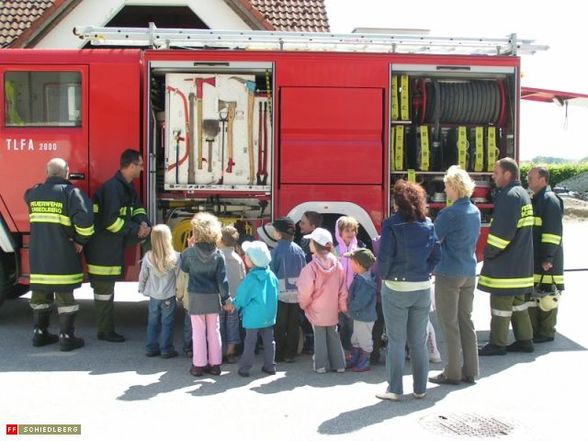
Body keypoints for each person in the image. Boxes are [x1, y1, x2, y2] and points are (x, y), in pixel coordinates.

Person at [376, 180, 440, 401]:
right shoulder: (428, 224)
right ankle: (421, 389)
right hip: (422, 286)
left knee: (396, 340)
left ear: (397, 202)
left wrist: (383, 275)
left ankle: (394, 389)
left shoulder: (391, 224)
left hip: (396, 287)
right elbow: (436, 256)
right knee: (419, 341)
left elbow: (385, 257)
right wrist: (424, 271)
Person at [24, 158, 94, 351]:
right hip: (63, 256)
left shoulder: (33, 193)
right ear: (67, 172)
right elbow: (86, 222)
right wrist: (81, 241)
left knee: (39, 296)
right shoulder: (71, 194)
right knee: (65, 299)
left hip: (39, 256)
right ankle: (66, 336)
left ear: (47, 172)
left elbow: (27, 197)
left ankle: (40, 334)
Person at [85, 149, 151, 342]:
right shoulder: (114, 189)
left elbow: (137, 208)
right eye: (140, 165)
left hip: (111, 246)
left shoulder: (127, 187)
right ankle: (105, 331)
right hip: (103, 248)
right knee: (104, 291)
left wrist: (143, 223)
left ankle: (106, 329)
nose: (142, 168)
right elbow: (110, 221)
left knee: (107, 290)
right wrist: (135, 230)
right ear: (131, 166)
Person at [429, 166, 481, 385]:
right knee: (465, 321)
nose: (445, 189)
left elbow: (433, 239)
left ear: (454, 187)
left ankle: (451, 373)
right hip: (469, 271)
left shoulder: (449, 213)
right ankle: (471, 370)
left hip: (449, 273)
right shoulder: (474, 211)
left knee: (448, 324)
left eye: (447, 185)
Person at [478, 158, 535, 355]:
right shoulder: (523, 194)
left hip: (506, 267)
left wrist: (488, 253)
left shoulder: (509, 196)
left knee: (501, 305)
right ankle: (525, 340)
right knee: (519, 305)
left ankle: (498, 343)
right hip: (520, 265)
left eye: (496, 173)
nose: (493, 176)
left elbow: (502, 233)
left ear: (508, 174)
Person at [181, 213, 231, 376]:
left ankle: (198, 365)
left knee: (198, 331)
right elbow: (222, 280)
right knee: (214, 330)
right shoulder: (219, 254)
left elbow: (184, 269)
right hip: (212, 296)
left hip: (195, 296)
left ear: (197, 233)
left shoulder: (189, 253)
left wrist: (188, 247)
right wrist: (226, 299)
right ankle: (215, 365)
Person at [297, 228, 348, 373]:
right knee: (333, 334)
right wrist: (341, 305)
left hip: (316, 308)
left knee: (319, 336)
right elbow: (342, 288)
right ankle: (339, 365)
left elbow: (305, 289)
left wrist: (303, 303)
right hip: (332, 308)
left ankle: (320, 365)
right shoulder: (338, 264)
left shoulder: (311, 267)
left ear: (315, 244)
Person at [526, 166, 564, 343]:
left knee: (547, 296)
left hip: (547, 259)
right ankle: (535, 331)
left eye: (531, 177)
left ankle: (547, 332)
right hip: (537, 258)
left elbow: (552, 232)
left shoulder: (550, 200)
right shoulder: (537, 199)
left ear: (543, 179)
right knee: (535, 296)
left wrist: (548, 257)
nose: (528, 180)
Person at [232, 241, 279, 377]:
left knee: (250, 342)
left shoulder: (251, 278)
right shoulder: (271, 276)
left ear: (252, 261)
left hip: (253, 316)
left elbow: (242, 296)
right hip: (269, 315)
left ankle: (245, 368)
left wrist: (235, 304)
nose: (245, 258)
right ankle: (270, 366)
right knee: (269, 341)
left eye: (246, 256)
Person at [138, 224, 180, 358]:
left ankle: (151, 348)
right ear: (169, 238)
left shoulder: (148, 257)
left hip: (154, 296)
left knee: (152, 322)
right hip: (169, 296)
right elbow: (179, 277)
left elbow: (143, 275)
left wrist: (141, 288)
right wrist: (181, 292)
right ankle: (166, 349)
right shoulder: (176, 257)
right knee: (167, 323)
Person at [270, 217, 307, 363]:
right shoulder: (299, 250)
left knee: (280, 324)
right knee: (293, 323)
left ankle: (278, 353)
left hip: (280, 294)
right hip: (296, 293)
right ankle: (290, 353)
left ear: (279, 234)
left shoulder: (276, 251)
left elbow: (272, 272)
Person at [344, 248, 377, 372]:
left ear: (358, 264)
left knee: (364, 339)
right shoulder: (361, 278)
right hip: (359, 315)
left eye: (351, 261)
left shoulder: (365, 282)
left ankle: (365, 360)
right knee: (356, 337)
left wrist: (349, 307)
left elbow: (360, 301)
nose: (350, 263)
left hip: (364, 316)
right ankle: (356, 357)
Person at [335, 216, 364, 352]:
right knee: (342, 323)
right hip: (340, 293)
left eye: (353, 230)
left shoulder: (359, 249)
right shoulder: (335, 251)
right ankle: (343, 350)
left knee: (353, 323)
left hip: (355, 293)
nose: (351, 233)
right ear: (339, 232)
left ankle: (353, 350)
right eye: (347, 230)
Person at [218, 226, 246, 363]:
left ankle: (220, 351)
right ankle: (230, 352)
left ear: (221, 241)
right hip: (234, 299)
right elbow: (243, 279)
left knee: (220, 325)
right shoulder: (238, 258)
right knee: (233, 325)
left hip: (220, 298)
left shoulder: (217, 256)